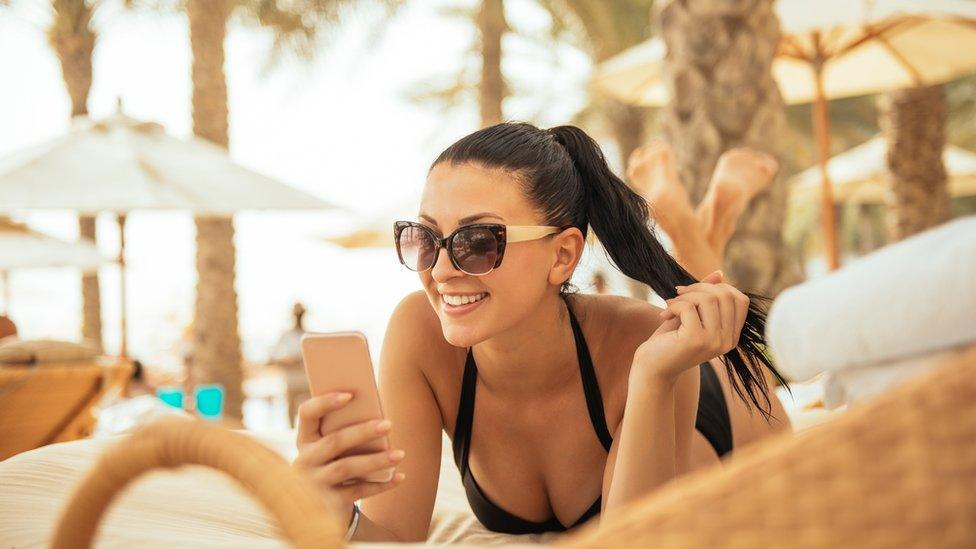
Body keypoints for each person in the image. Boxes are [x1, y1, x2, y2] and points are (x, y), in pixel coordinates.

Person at [293, 122, 791, 542]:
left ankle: (690, 227)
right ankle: (703, 220)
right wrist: (335, 512)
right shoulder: (418, 335)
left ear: (563, 256)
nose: (441, 269)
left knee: (711, 324)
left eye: (478, 241)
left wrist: (654, 376)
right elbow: (395, 538)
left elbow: (632, 543)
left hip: (713, 414)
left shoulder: (644, 342)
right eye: (425, 239)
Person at [269, 302, 311, 426]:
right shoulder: (286, 336)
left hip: (306, 382)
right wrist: (289, 361)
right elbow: (273, 358)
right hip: (291, 381)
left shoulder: (309, 335)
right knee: (291, 413)